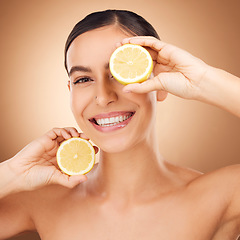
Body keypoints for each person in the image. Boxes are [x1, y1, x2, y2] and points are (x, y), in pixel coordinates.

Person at [0, 9, 240, 240]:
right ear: (70, 91)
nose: (103, 97)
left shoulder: (220, 195)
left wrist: (202, 79)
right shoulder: (42, 200)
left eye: (118, 73)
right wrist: (11, 173)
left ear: (160, 83)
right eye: (83, 79)